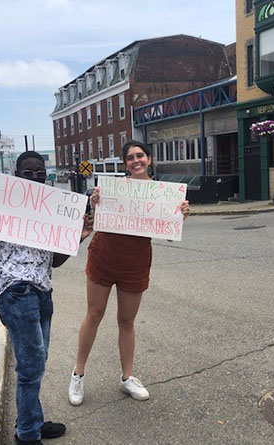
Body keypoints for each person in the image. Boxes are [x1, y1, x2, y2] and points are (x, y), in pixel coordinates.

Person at [0, 151, 93, 445]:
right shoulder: (0, 203)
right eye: (28, 172)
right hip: (15, 292)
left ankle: (31, 421)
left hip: (42, 292)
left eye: (40, 172)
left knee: (35, 363)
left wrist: (79, 237)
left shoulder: (49, 207)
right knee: (31, 367)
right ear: (16, 174)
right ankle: (26, 435)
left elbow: (55, 261)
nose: (35, 176)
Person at [68, 140, 190, 405]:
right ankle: (78, 374)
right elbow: (95, 216)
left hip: (135, 262)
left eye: (141, 156)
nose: (136, 161)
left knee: (127, 321)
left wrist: (180, 216)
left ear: (149, 159)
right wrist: (95, 202)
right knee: (94, 314)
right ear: (125, 164)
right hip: (104, 256)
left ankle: (127, 377)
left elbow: (169, 236)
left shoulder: (164, 194)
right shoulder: (112, 190)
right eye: (131, 158)